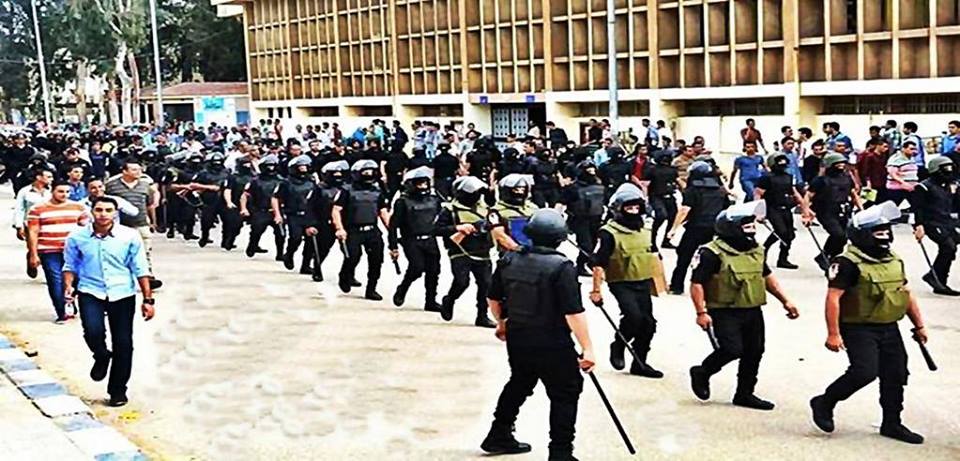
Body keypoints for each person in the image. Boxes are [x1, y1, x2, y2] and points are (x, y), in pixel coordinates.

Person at [481, 209, 595, 461]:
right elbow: (573, 312)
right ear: (561, 238)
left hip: (519, 336)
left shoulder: (510, 259)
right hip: (553, 341)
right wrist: (587, 348)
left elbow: (493, 297)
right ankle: (560, 453)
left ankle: (499, 433)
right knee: (565, 393)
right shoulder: (562, 266)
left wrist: (502, 323)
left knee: (519, 382)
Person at [810, 202, 928, 444]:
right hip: (858, 326)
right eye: (878, 232)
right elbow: (833, 298)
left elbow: (905, 292)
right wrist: (833, 333)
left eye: (886, 232)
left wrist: (919, 325)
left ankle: (892, 423)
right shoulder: (846, 263)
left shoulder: (893, 260)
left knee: (895, 374)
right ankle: (825, 401)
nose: (884, 237)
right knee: (864, 372)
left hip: (889, 325)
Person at [688, 202, 800, 410]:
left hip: (751, 307)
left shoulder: (755, 250)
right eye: (746, 227)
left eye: (752, 226)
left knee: (755, 351)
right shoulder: (711, 253)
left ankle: (745, 393)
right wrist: (701, 312)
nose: (751, 231)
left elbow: (766, 276)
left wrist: (785, 300)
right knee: (732, 349)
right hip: (723, 309)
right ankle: (703, 371)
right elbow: (697, 283)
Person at [62, 196, 155, 408]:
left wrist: (148, 299)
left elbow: (140, 268)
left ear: (115, 213)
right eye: (99, 210)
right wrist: (68, 287)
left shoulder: (129, 236)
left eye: (108, 210)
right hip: (90, 290)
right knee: (92, 331)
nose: (103, 214)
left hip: (121, 292)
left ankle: (118, 390)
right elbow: (70, 265)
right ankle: (101, 355)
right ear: (91, 212)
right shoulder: (77, 237)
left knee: (123, 343)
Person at [590, 184, 663, 378]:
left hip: (643, 280)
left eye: (636, 208)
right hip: (621, 281)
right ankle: (619, 344)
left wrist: (660, 282)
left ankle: (640, 363)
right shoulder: (608, 232)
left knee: (648, 324)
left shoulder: (646, 229)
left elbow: (653, 254)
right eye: (628, 208)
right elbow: (598, 263)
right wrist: (596, 290)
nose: (633, 211)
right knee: (633, 317)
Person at [437, 176, 497, 328]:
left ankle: (482, 315)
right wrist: (458, 228)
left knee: (486, 284)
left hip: (482, 250)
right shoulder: (450, 210)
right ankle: (449, 300)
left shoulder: (484, 207)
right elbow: (436, 229)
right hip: (460, 251)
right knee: (461, 282)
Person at [26, 180, 86, 323]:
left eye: (67, 192)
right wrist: (33, 253)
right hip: (49, 250)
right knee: (55, 281)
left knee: (79, 279)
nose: (64, 194)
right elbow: (33, 232)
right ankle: (61, 312)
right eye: (60, 191)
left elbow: (85, 228)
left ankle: (70, 300)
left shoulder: (78, 207)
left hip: (73, 251)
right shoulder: (38, 209)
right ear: (52, 191)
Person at [666, 161, 729, 294]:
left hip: (696, 228)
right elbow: (725, 211)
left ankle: (677, 286)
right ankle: (708, 287)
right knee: (710, 259)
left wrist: (673, 229)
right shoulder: (720, 190)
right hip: (714, 229)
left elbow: (684, 210)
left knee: (684, 256)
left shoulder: (692, 190)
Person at [332, 159, 391, 300]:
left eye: (371, 172)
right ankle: (345, 275)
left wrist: (391, 229)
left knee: (376, 260)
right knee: (352, 256)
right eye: (365, 172)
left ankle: (371, 289)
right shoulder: (347, 190)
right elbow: (336, 210)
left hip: (372, 229)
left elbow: (383, 211)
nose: (369, 174)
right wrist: (339, 228)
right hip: (353, 230)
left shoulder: (377, 191)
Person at [388, 166, 442, 311]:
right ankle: (403, 288)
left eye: (425, 183)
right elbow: (393, 226)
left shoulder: (434, 200)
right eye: (419, 184)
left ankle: (430, 301)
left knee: (434, 271)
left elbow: (443, 220)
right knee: (417, 267)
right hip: (411, 240)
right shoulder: (402, 202)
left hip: (430, 239)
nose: (423, 187)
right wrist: (393, 246)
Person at [104, 160, 162, 290]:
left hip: (141, 223)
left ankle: (148, 277)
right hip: (120, 226)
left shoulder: (145, 185)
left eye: (140, 170)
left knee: (145, 251)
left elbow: (149, 205)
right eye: (134, 170)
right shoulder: (111, 186)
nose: (138, 172)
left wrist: (153, 222)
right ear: (124, 171)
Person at [804, 153, 862, 271]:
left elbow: (853, 194)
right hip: (825, 211)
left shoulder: (846, 178)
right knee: (838, 234)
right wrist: (806, 213)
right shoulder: (820, 180)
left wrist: (861, 209)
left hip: (843, 210)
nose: (841, 166)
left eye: (842, 163)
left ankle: (831, 258)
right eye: (837, 163)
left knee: (843, 238)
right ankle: (824, 256)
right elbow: (808, 196)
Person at [912, 156, 960, 296]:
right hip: (931, 223)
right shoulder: (924, 187)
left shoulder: (949, 186)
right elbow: (917, 208)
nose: (949, 171)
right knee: (948, 247)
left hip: (947, 221)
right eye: (945, 168)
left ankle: (936, 277)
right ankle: (938, 279)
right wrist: (919, 225)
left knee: (951, 247)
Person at [754, 153, 809, 269]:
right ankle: (763, 249)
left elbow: (795, 193)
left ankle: (783, 259)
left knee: (790, 235)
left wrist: (805, 212)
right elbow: (758, 194)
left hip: (786, 208)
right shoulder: (766, 178)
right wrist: (759, 213)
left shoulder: (788, 177)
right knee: (781, 232)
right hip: (772, 208)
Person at [304, 160, 349, 282]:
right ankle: (317, 268)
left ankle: (348, 275)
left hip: (343, 223)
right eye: (334, 174)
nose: (338, 176)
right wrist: (310, 224)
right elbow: (310, 207)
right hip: (324, 222)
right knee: (322, 249)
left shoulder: (346, 189)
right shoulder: (319, 189)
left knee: (350, 252)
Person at [562, 160, 606, 276]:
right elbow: (562, 202)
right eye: (588, 170)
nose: (591, 172)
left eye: (593, 169)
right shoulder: (573, 188)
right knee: (586, 245)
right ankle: (581, 266)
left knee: (594, 243)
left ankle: (587, 262)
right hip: (579, 220)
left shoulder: (599, 187)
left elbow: (605, 202)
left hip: (596, 219)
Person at [278, 155, 320, 273]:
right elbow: (276, 198)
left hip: (309, 214)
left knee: (311, 241)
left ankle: (306, 265)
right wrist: (278, 214)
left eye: (305, 166)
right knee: (295, 238)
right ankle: (289, 254)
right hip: (294, 214)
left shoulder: (312, 181)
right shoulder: (286, 183)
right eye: (300, 167)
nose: (303, 169)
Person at [242, 154, 285, 259]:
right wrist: (244, 208)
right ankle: (252, 246)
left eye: (273, 166)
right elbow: (245, 195)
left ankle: (280, 254)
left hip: (277, 211)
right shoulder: (255, 181)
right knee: (256, 231)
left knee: (281, 234)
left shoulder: (282, 181)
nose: (271, 168)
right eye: (268, 166)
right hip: (260, 210)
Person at [490, 174, 538, 254]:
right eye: (516, 190)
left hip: (535, 252)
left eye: (523, 189)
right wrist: (517, 248)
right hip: (510, 254)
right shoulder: (496, 211)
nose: (520, 192)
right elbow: (499, 235)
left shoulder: (533, 208)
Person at [194, 152, 232, 248]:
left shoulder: (226, 173)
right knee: (206, 221)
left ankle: (225, 241)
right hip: (209, 200)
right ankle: (205, 236)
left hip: (223, 200)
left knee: (228, 221)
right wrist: (208, 187)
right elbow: (194, 185)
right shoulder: (203, 173)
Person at [644, 150, 680, 252]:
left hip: (669, 195)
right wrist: (645, 197)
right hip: (656, 196)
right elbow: (646, 183)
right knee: (661, 216)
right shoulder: (652, 169)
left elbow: (676, 181)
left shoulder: (672, 170)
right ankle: (652, 241)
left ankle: (666, 241)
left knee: (673, 217)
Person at [221, 157, 255, 251]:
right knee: (234, 225)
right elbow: (227, 190)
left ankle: (254, 244)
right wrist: (229, 202)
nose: (247, 166)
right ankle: (228, 241)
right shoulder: (233, 177)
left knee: (257, 226)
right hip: (235, 204)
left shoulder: (254, 177)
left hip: (251, 204)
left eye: (248, 163)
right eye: (245, 164)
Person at [884, 141, 920, 206]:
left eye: (915, 149)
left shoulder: (911, 158)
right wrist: (903, 183)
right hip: (897, 189)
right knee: (894, 207)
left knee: (916, 206)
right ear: (903, 149)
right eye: (911, 149)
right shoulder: (896, 158)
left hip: (910, 188)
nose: (913, 151)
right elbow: (892, 174)